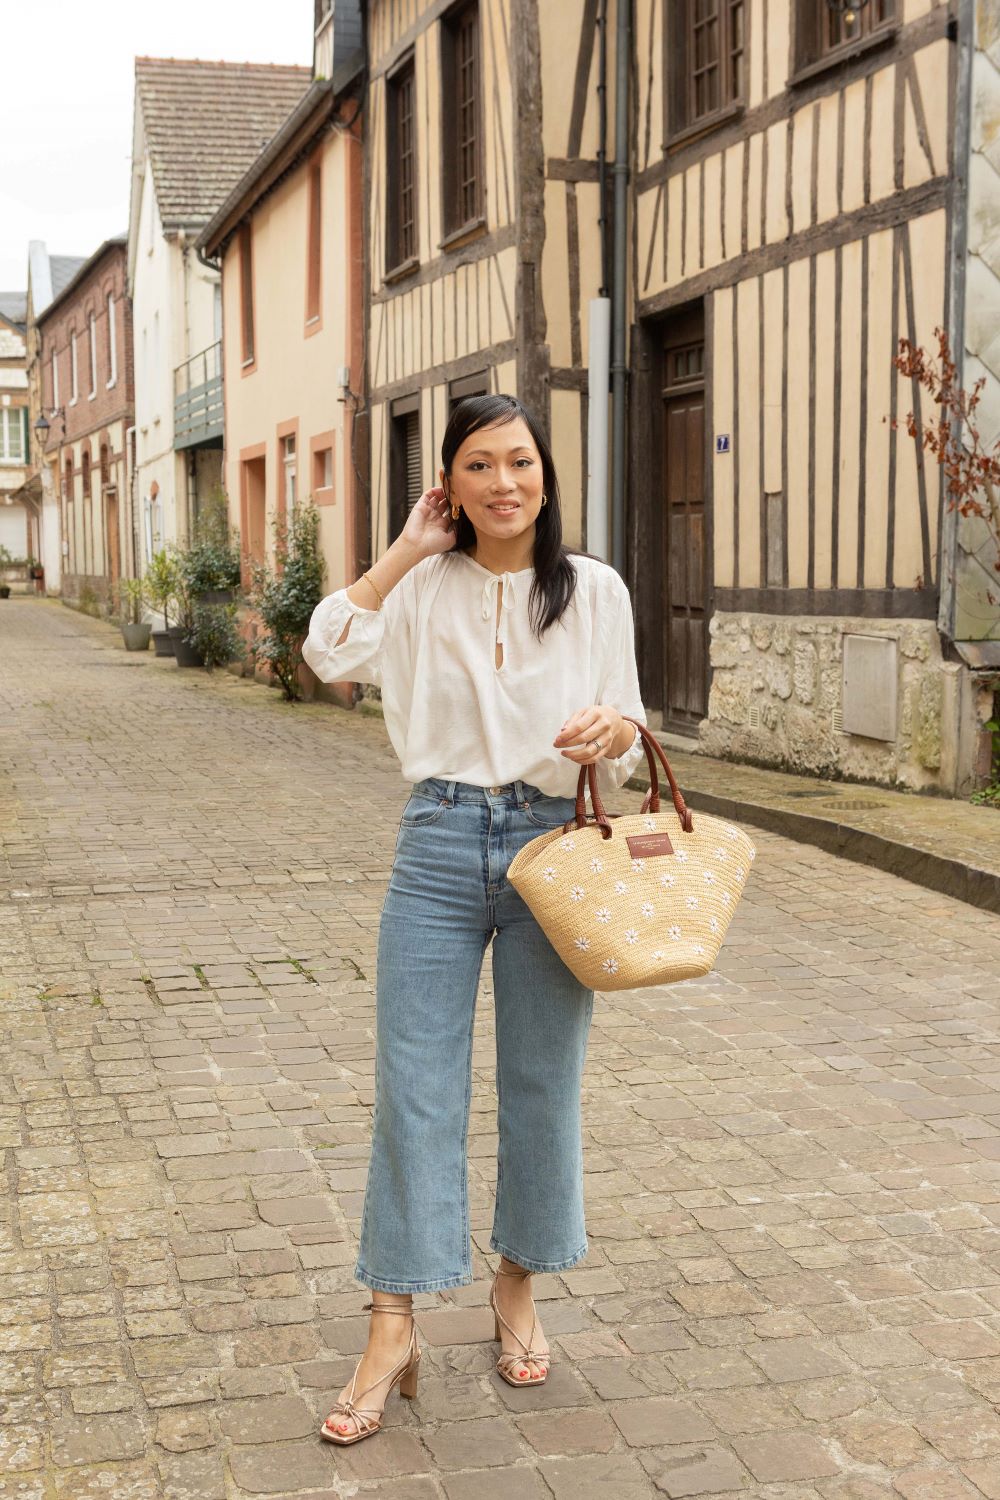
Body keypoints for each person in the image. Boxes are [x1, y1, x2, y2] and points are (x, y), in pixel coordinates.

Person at [303, 393, 646, 1445]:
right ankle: (391, 1322)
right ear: (446, 483)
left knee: (542, 1085)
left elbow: (634, 732)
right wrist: (403, 551)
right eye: (479, 466)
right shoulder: (417, 589)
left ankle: (514, 1288)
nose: (505, 484)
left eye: (521, 462)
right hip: (440, 845)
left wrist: (610, 732)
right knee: (414, 1088)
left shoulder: (591, 591)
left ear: (546, 473)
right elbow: (326, 648)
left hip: (556, 845)